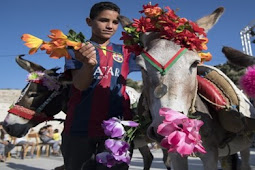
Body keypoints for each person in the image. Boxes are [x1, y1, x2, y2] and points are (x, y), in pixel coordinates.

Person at [61, 1, 140, 170]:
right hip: (79, 128)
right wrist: (89, 65)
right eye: (104, 20)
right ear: (89, 22)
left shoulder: (126, 52)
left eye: (115, 22)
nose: (110, 26)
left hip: (118, 129)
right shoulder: (76, 49)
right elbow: (80, 86)